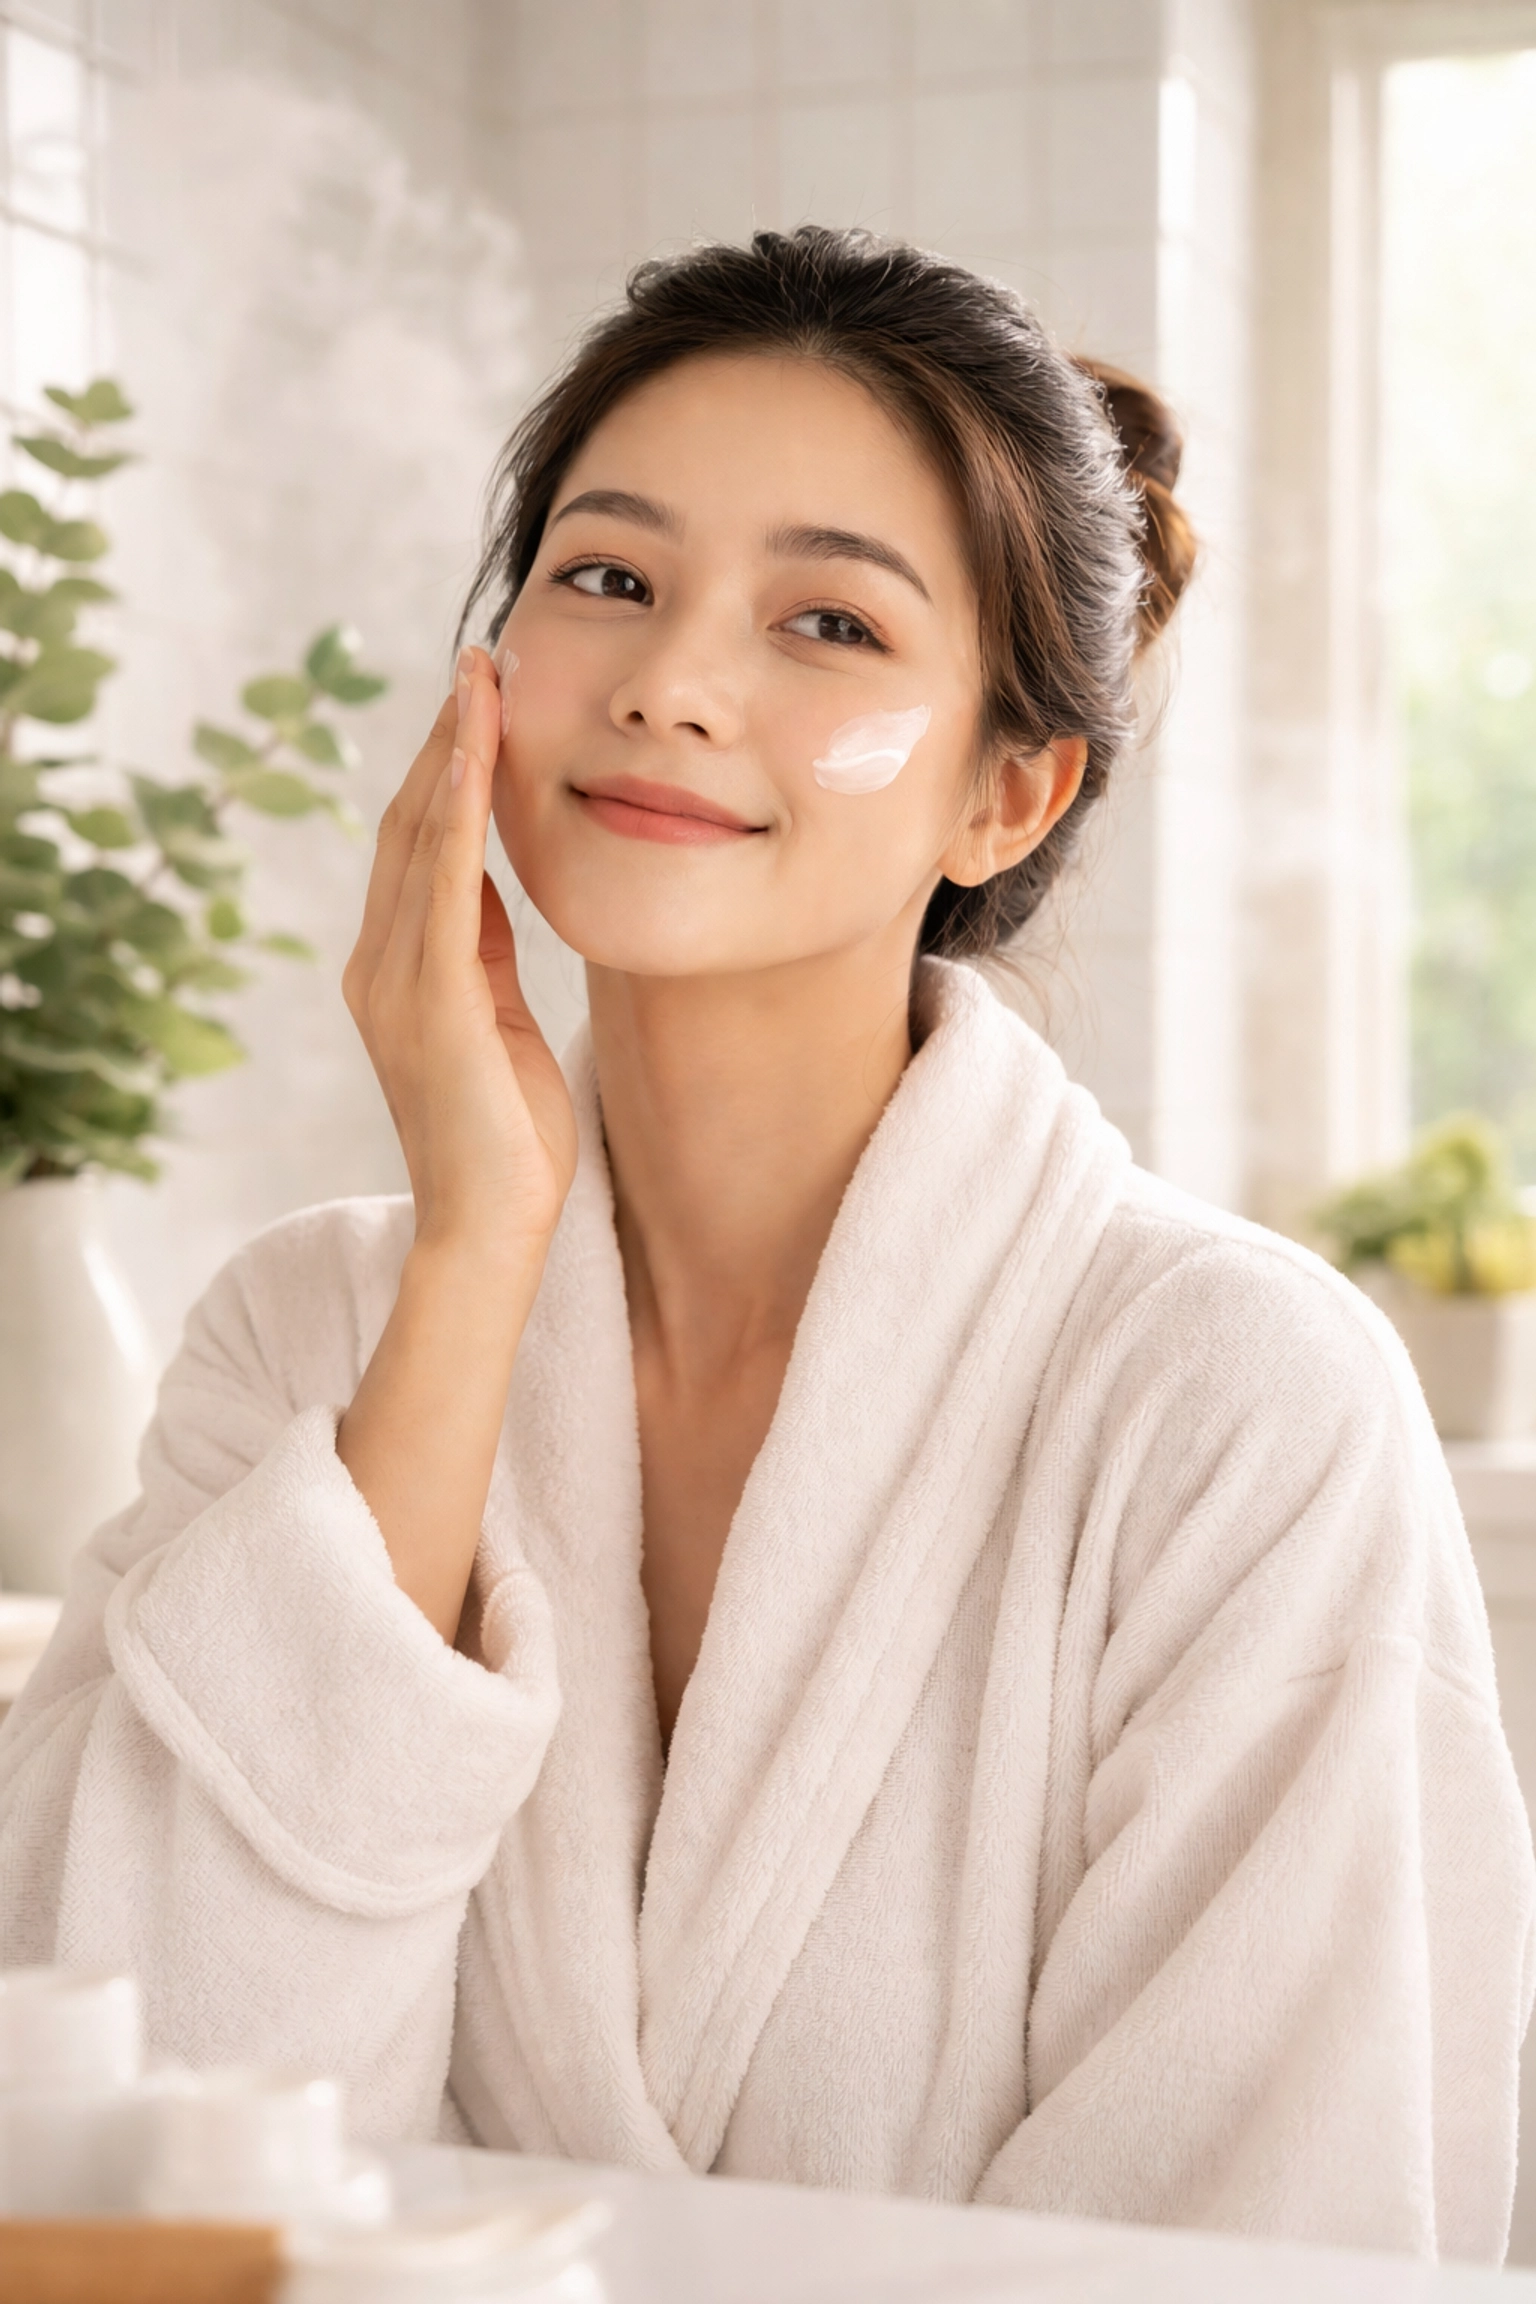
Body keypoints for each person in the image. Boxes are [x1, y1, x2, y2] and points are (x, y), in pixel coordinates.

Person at [1, 227, 1530, 2263]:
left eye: (826, 624)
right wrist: (470, 1258)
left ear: (1010, 791)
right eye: (608, 579)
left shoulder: (1240, 1407)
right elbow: (144, 2149)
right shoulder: (312, 1336)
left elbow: (1255, 2245)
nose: (671, 685)